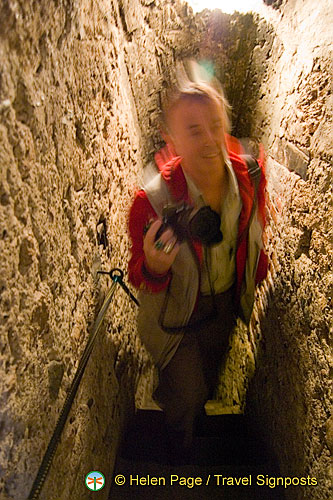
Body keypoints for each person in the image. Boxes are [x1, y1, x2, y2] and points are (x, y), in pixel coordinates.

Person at [127, 61, 268, 462]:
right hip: (175, 312)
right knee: (187, 394)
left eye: (215, 125)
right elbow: (140, 271)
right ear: (170, 137)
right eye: (193, 130)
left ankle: (184, 409)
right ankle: (180, 450)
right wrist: (154, 266)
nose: (209, 139)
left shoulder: (250, 174)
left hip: (223, 303)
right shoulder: (152, 200)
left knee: (207, 380)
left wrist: (254, 273)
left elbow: (254, 223)